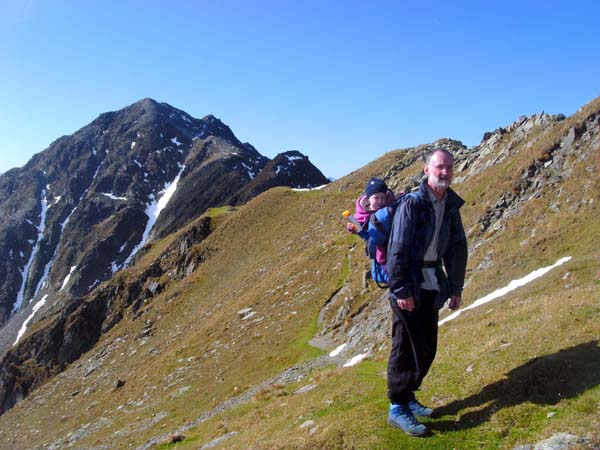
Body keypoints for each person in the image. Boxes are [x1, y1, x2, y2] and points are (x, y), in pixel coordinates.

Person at [385, 148, 468, 436]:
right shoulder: (412, 204)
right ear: (427, 170)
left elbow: (457, 248)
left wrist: (455, 287)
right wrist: (400, 289)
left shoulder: (450, 205)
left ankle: (407, 396)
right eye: (439, 167)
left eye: (448, 167)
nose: (444, 172)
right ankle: (397, 407)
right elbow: (398, 249)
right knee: (404, 348)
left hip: (433, 286)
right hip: (409, 286)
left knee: (426, 347)